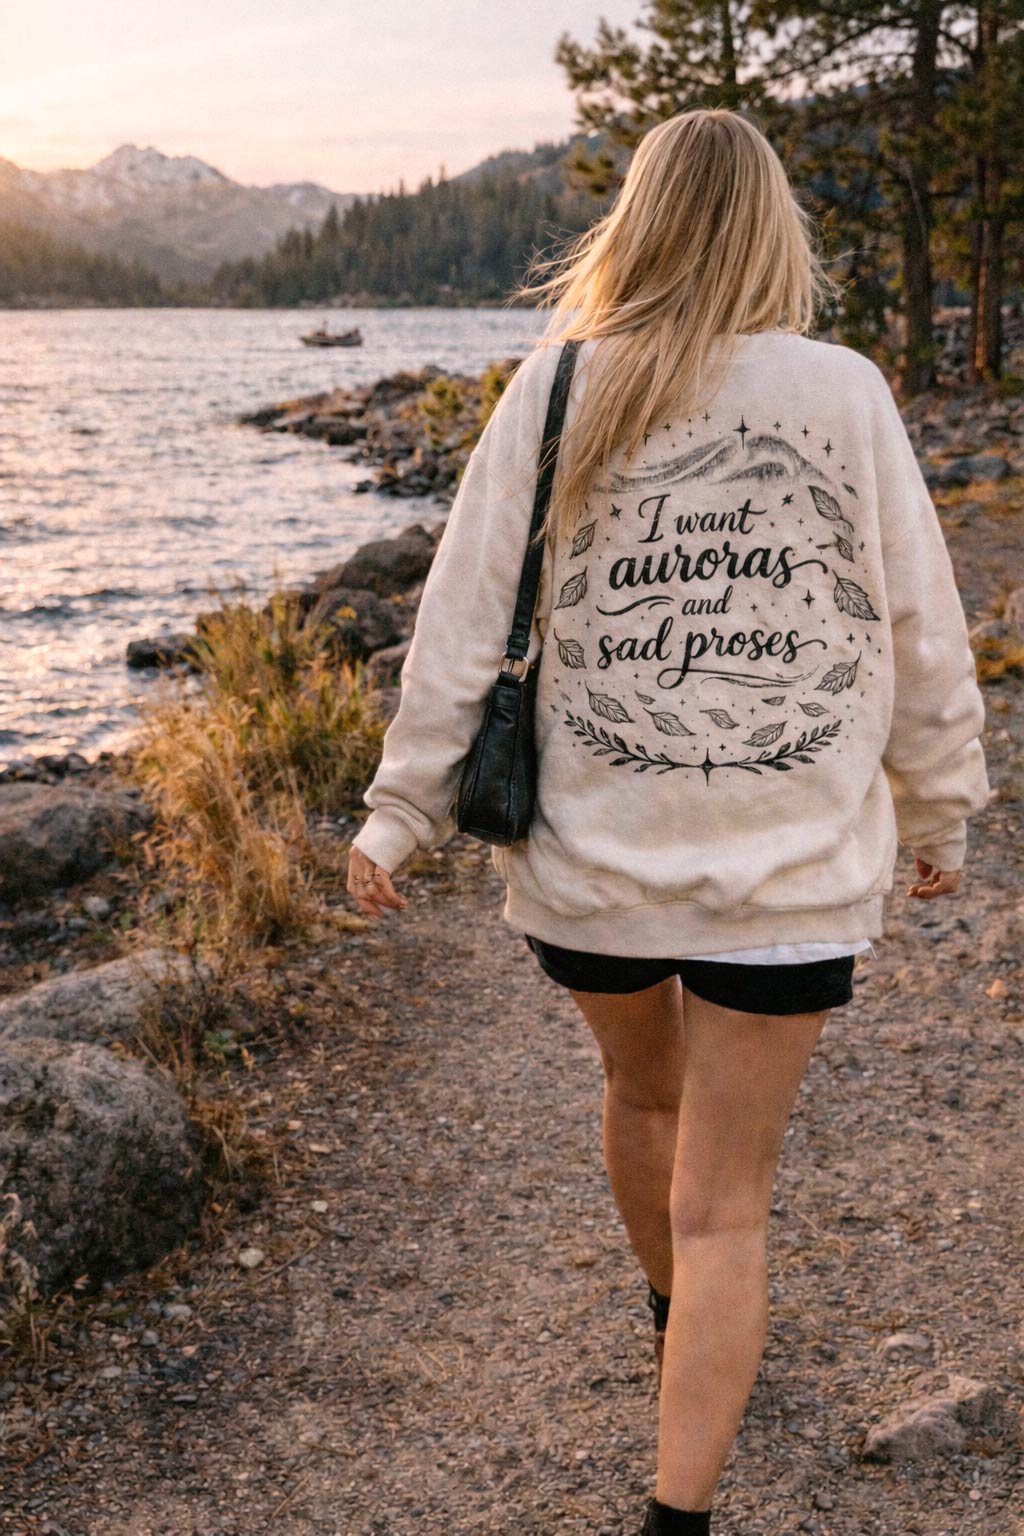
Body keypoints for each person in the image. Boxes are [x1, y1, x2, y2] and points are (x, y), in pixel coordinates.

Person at [346, 108, 990, 1536]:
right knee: (730, 1203)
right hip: (790, 876)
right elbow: (921, 632)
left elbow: (458, 620)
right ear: (773, 227)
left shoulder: (560, 386)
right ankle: (681, 1489)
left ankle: (678, 1318)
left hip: (595, 875)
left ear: (632, 224)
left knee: (644, 1100)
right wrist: (940, 808)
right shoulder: (843, 390)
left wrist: (399, 810)